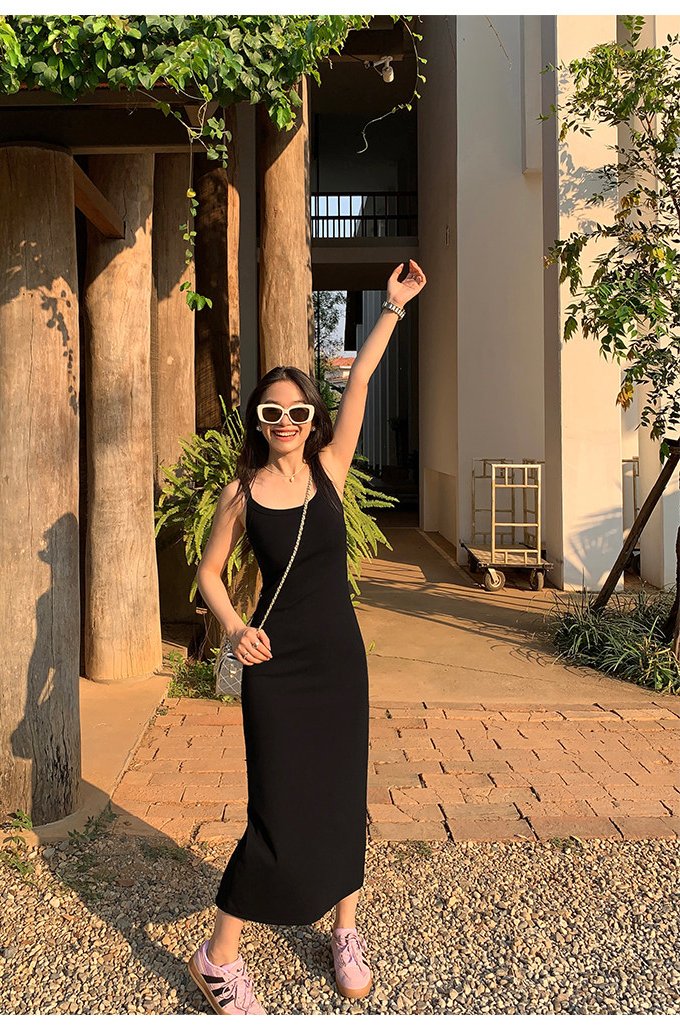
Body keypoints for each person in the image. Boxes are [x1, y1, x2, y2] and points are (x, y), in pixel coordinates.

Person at [187, 260, 427, 1015]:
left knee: (342, 794)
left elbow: (360, 384)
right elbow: (209, 572)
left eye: (297, 411)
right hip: (277, 666)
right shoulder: (240, 493)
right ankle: (217, 957)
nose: (286, 422)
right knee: (279, 807)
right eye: (272, 412)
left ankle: (344, 930)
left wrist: (390, 307)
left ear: (311, 419)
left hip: (338, 661)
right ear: (258, 421)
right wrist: (234, 629)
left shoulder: (330, 468)